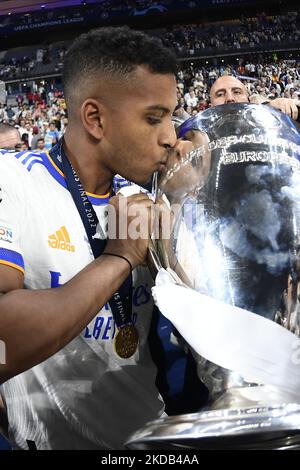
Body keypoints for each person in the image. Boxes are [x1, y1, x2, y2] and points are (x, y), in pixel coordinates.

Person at [0, 26, 182, 450]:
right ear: (96, 118)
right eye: (154, 118)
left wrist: (192, 195)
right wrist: (117, 259)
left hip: (153, 443)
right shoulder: (14, 180)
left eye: (172, 117)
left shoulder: (143, 195)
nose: (169, 136)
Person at [209, 75, 300, 120]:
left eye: (236, 92)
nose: (230, 98)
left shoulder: (269, 123)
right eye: (220, 94)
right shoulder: (199, 139)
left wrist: (273, 109)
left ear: (248, 101)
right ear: (210, 107)